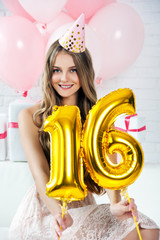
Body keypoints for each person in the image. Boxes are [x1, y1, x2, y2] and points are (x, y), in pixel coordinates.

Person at [9, 14, 159, 240]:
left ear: (84, 72)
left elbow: (106, 167)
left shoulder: (96, 116)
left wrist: (116, 205)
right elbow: (40, 173)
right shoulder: (30, 116)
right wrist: (57, 213)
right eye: (56, 70)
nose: (64, 78)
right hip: (46, 212)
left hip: (83, 206)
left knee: (147, 229)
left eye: (73, 69)